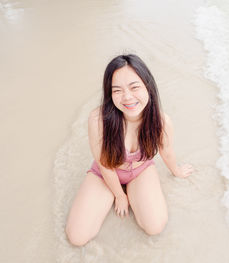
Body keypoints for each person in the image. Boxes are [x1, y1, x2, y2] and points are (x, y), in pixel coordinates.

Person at [65, 54, 194, 247]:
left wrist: (176, 171)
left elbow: (166, 151)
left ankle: (135, 192)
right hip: (105, 173)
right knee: (77, 237)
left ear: (147, 86)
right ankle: (122, 193)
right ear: (110, 94)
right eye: (117, 90)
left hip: (140, 172)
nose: (127, 97)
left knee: (155, 227)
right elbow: (104, 163)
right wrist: (119, 195)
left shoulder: (162, 121)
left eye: (134, 87)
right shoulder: (98, 120)